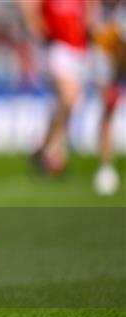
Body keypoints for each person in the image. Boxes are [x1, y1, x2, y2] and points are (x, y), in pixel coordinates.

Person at [20, 0, 96, 175]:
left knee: (68, 104)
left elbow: (90, 10)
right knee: (70, 98)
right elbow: (28, 5)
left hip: (79, 48)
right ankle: (50, 150)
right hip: (57, 48)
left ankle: (49, 151)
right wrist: (37, 27)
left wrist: (89, 24)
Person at [91, 0, 125, 195]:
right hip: (109, 60)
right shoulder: (103, 15)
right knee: (108, 111)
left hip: (116, 60)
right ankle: (106, 165)